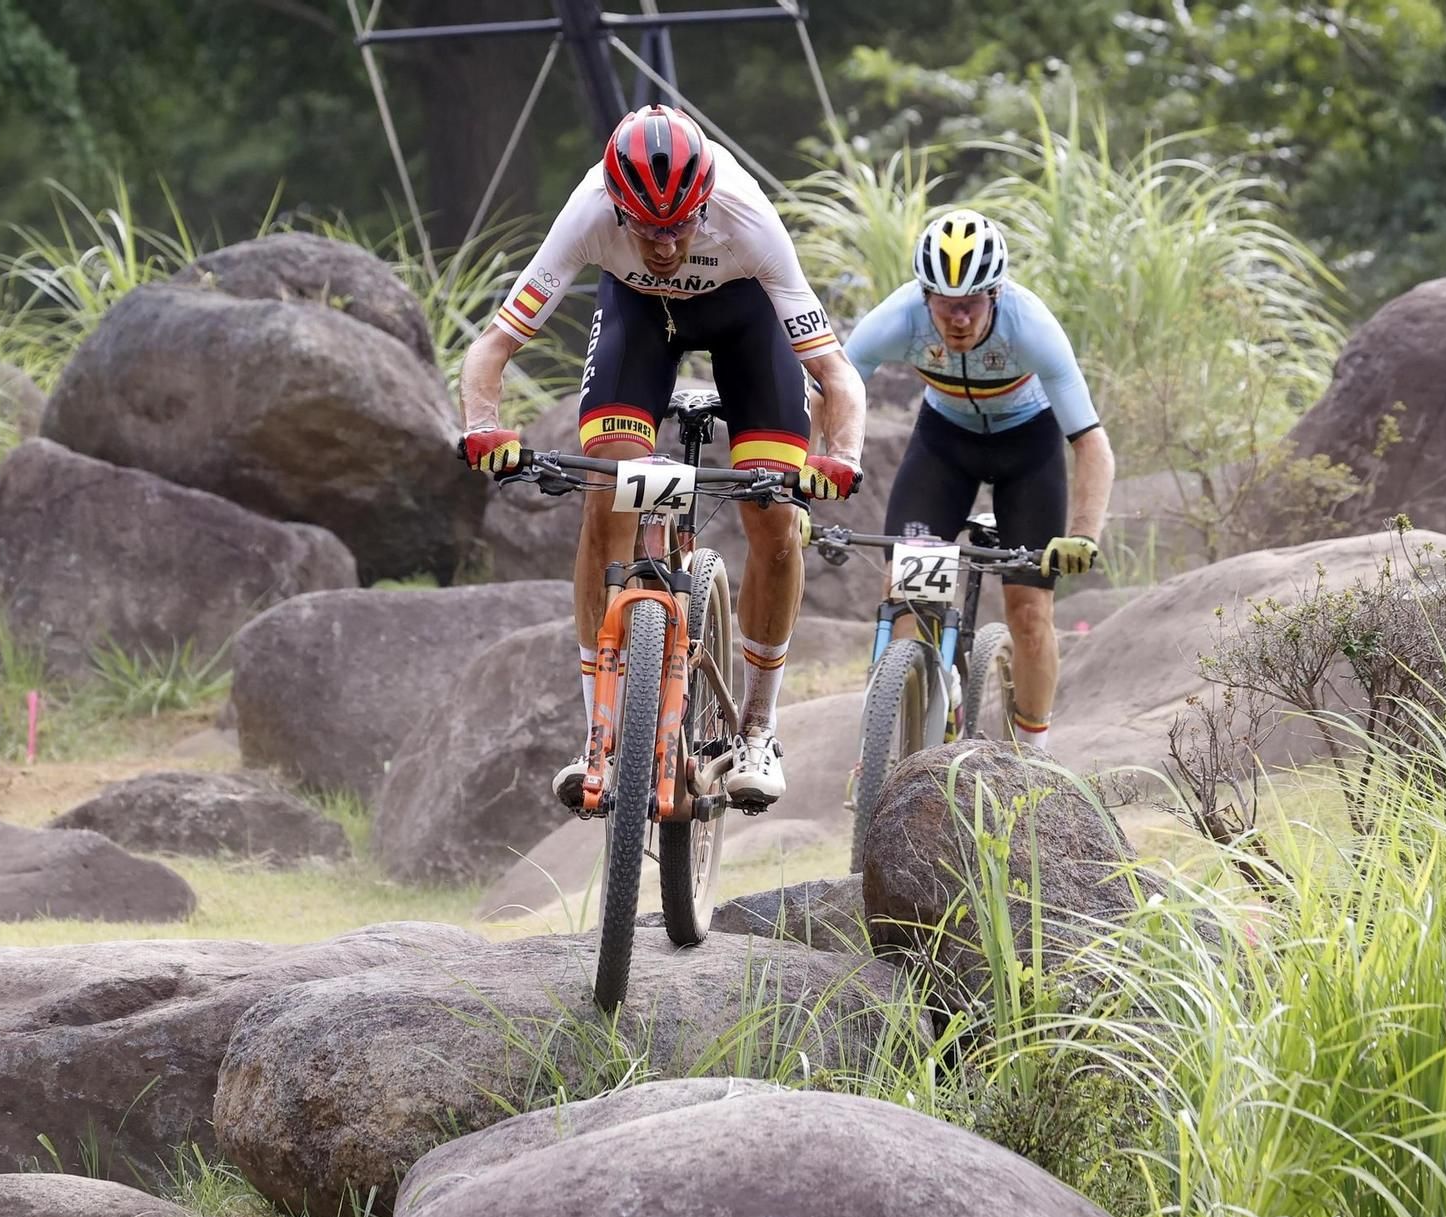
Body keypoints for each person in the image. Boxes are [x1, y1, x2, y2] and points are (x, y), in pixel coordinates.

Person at [457, 104, 867, 808]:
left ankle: (757, 729)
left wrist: (840, 455)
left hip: (747, 322)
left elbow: (836, 375)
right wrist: (482, 428)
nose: (666, 245)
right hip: (639, 319)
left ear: (704, 202)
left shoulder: (748, 218)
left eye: (680, 225)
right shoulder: (587, 209)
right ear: (616, 207)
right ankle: (600, 730)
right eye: (647, 227)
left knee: (773, 520)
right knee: (608, 491)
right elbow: (493, 347)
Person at [842, 208, 1114, 746]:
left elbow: (1091, 443)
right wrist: (826, 457)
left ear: (995, 294)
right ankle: (897, 744)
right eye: (945, 305)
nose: (958, 319)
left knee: (1029, 609)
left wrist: (1083, 535)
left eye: (970, 304)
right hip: (944, 446)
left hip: (1028, 450)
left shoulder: (1031, 327)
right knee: (908, 593)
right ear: (925, 297)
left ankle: (1033, 762)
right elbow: (832, 387)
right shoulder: (895, 319)